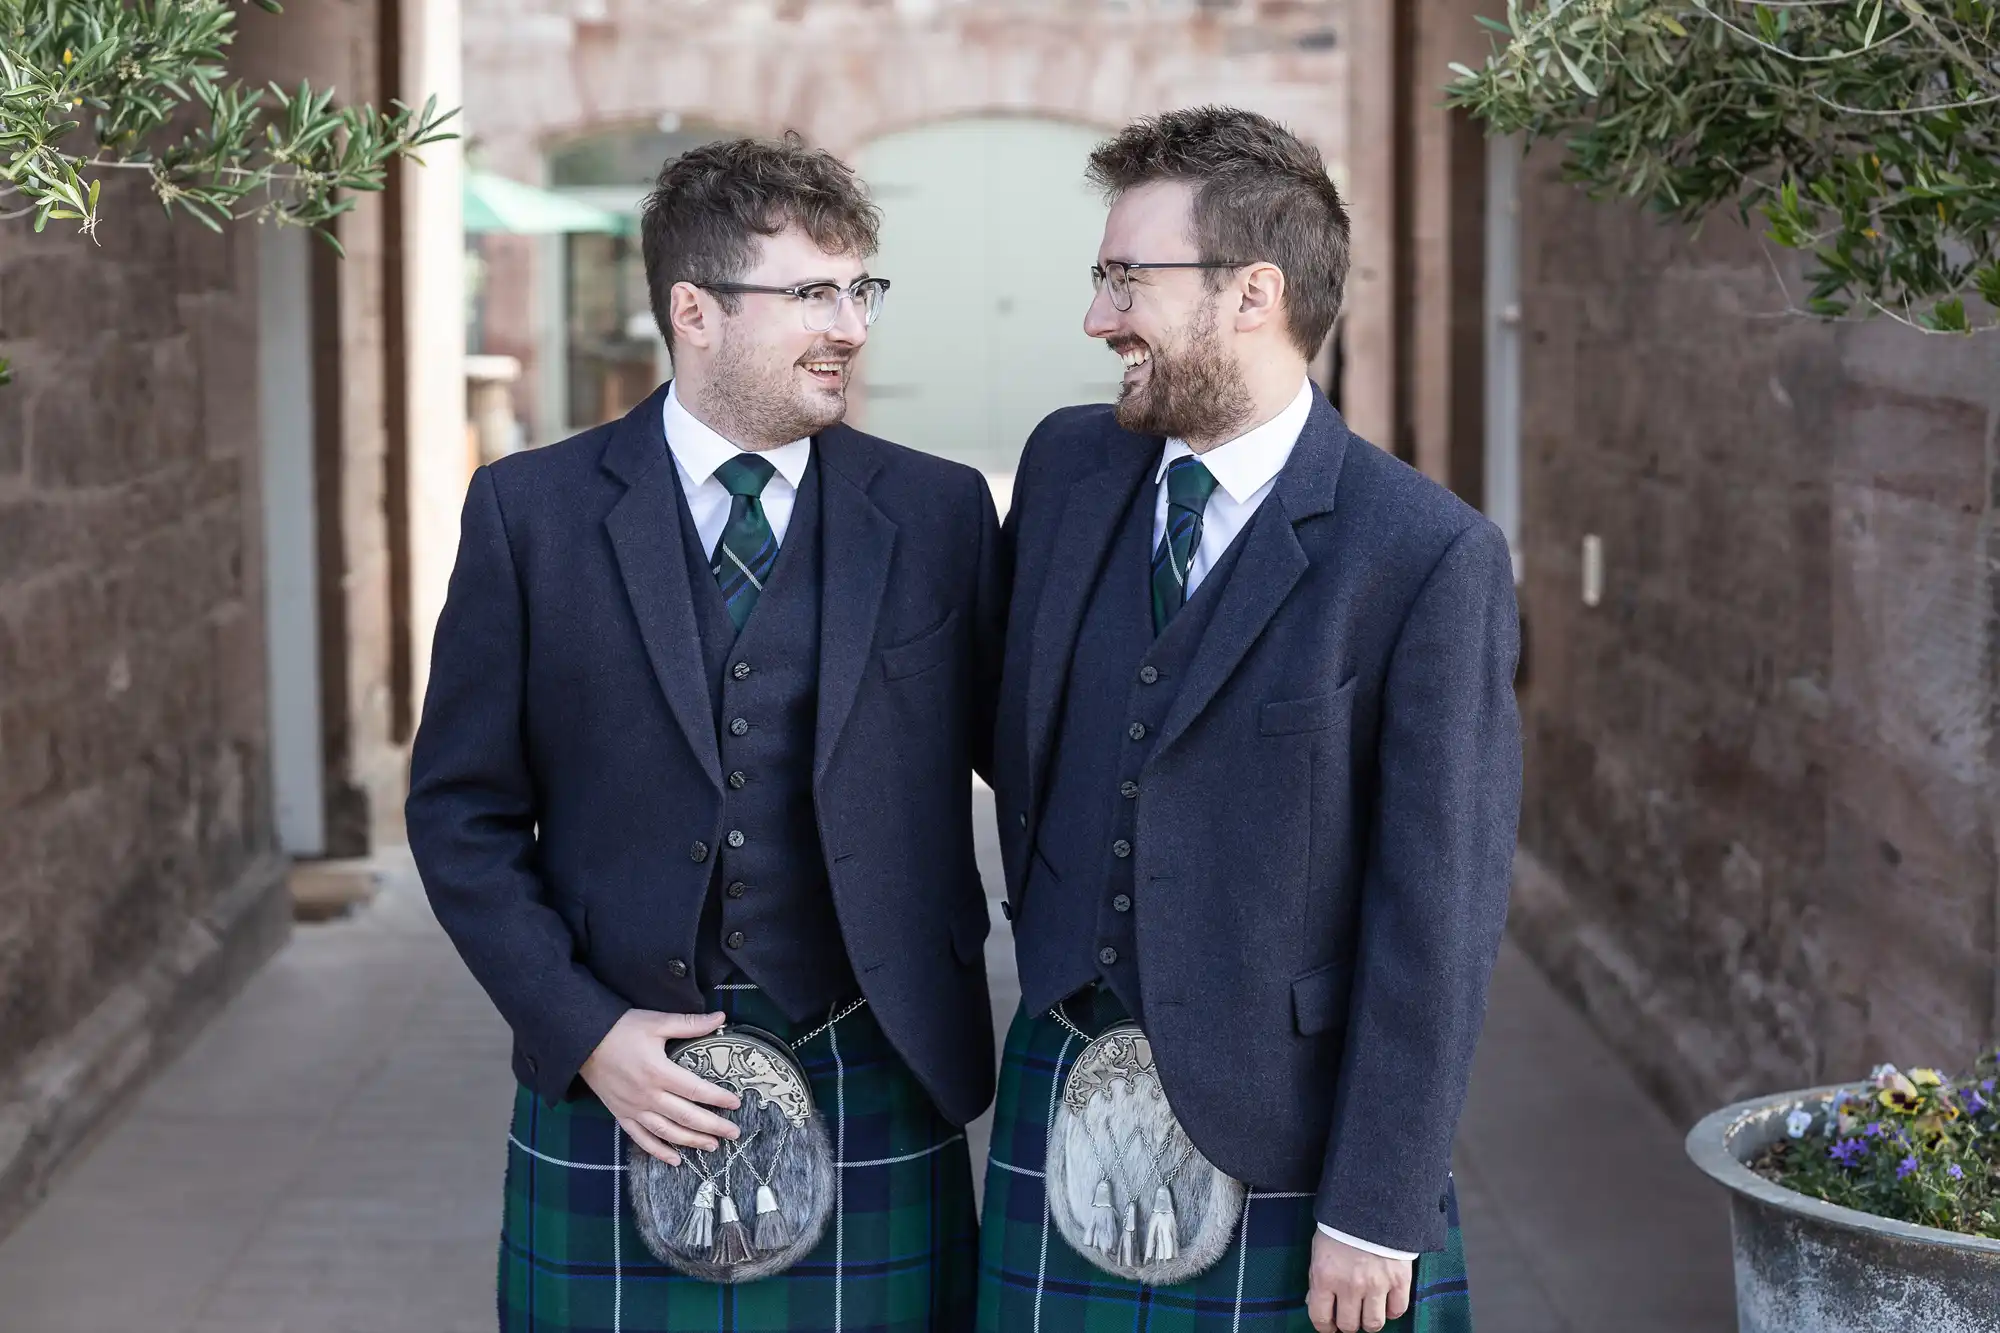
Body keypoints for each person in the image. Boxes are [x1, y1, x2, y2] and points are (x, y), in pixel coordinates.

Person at [407, 133, 1003, 1333]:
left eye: (859, 288)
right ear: (694, 309)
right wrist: (581, 1030)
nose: (850, 325)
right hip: (619, 1078)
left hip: (871, 1056)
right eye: (811, 294)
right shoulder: (532, 513)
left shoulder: (937, 513)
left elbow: (1044, 770)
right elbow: (459, 813)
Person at [979, 106, 1520, 1333]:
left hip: (1282, 1128)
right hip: (1062, 1069)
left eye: (1127, 278)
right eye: (1099, 276)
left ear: (1252, 293)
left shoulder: (1421, 555)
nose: (1097, 317)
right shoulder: (1068, 471)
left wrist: (1377, 1202)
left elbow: (1434, 916)